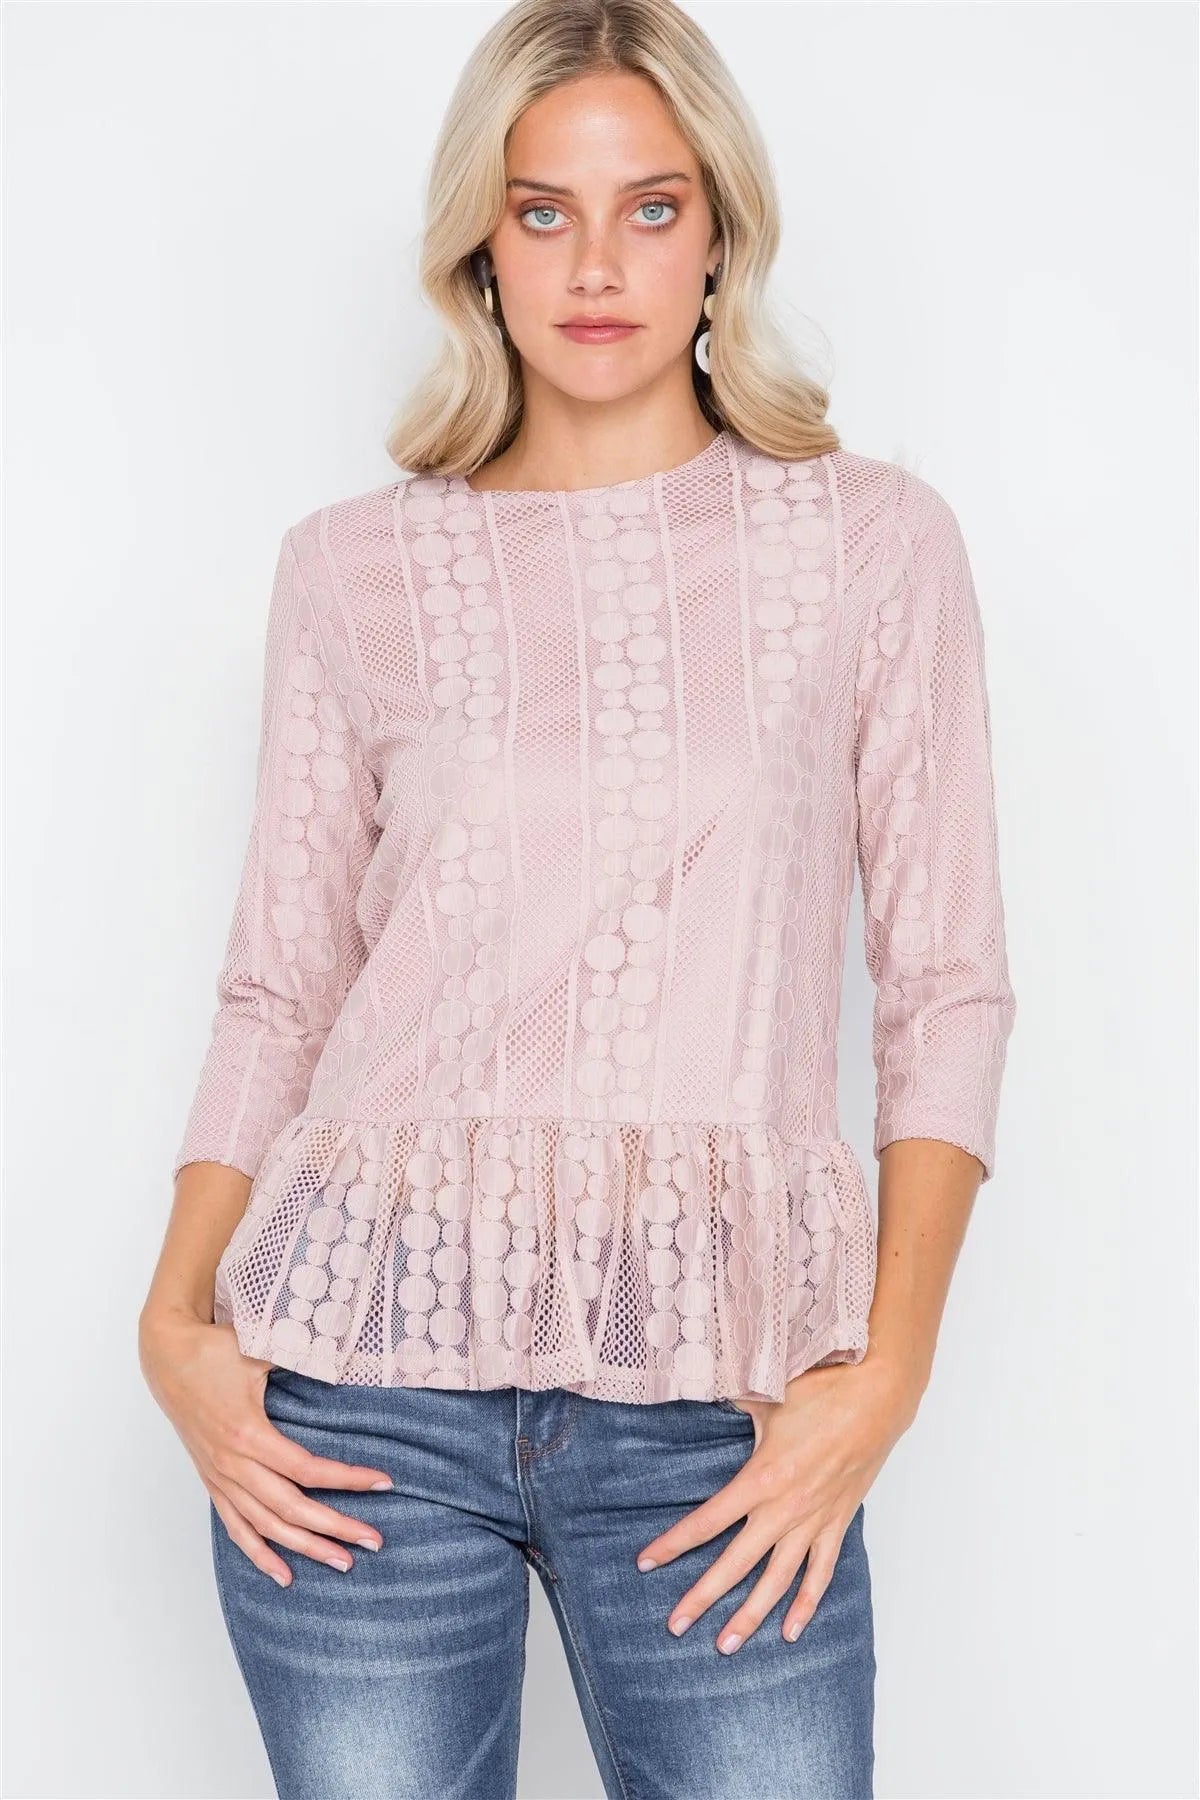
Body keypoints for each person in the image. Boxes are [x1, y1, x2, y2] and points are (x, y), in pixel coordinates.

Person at [138, 1, 1017, 1794]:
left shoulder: (870, 544)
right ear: (482, 246)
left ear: (722, 235)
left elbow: (948, 984)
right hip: (359, 1392)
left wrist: (890, 1369)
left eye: (650, 208)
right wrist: (176, 1324)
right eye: (542, 212)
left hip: (722, 1402)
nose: (596, 265)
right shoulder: (355, 569)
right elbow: (280, 985)